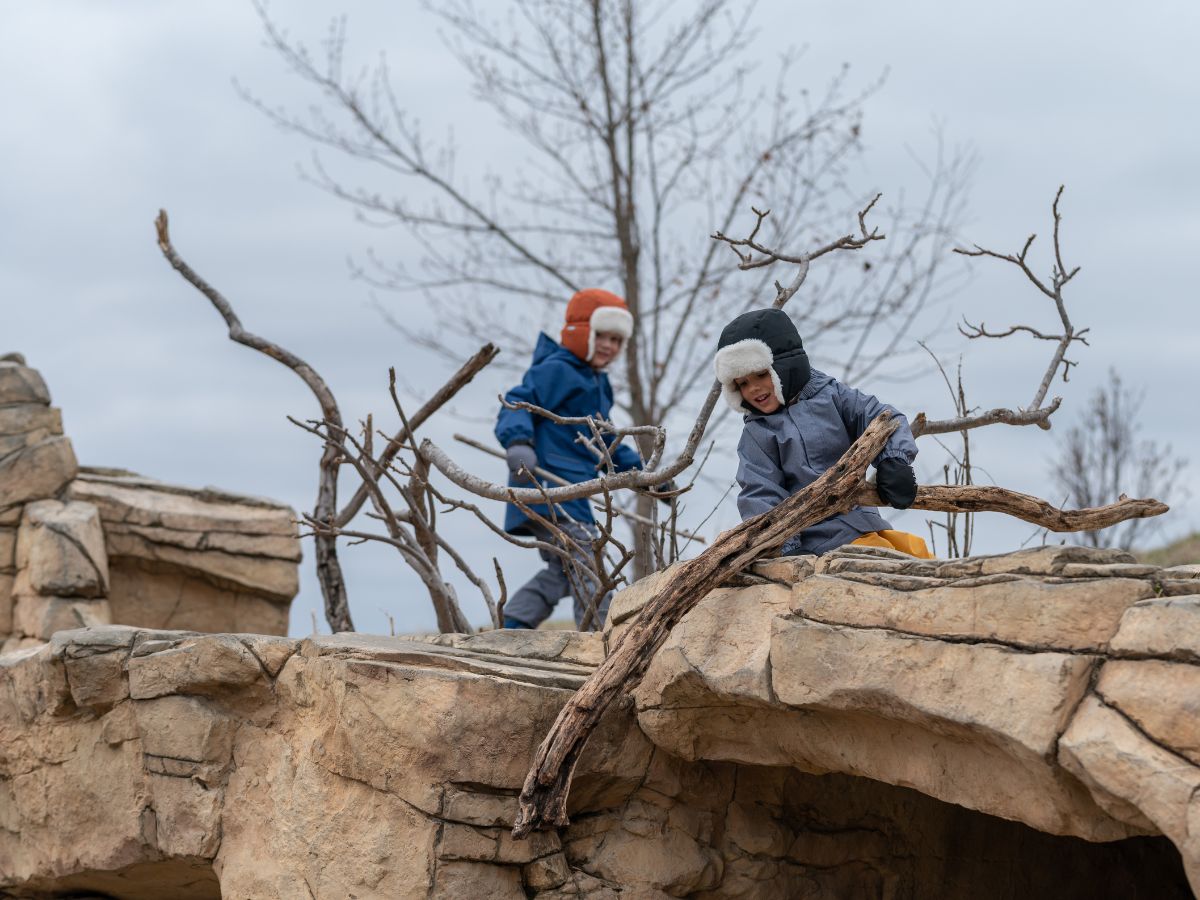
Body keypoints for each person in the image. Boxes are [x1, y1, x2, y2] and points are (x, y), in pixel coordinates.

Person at [714, 307, 932, 558]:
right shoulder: (758, 434)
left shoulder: (831, 396)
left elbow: (880, 416)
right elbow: (760, 492)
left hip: (863, 523)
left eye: (761, 374)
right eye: (742, 383)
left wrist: (894, 461)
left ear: (783, 365)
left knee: (919, 552)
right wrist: (784, 548)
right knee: (885, 561)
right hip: (815, 542)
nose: (753, 388)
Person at [495, 288, 644, 630]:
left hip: (573, 492)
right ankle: (598, 640)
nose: (609, 346)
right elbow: (517, 403)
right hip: (546, 484)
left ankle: (512, 626)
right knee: (589, 564)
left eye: (617, 340)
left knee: (564, 571)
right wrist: (518, 441)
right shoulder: (557, 370)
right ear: (581, 332)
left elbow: (604, 441)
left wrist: (642, 472)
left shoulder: (598, 384)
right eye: (602, 336)